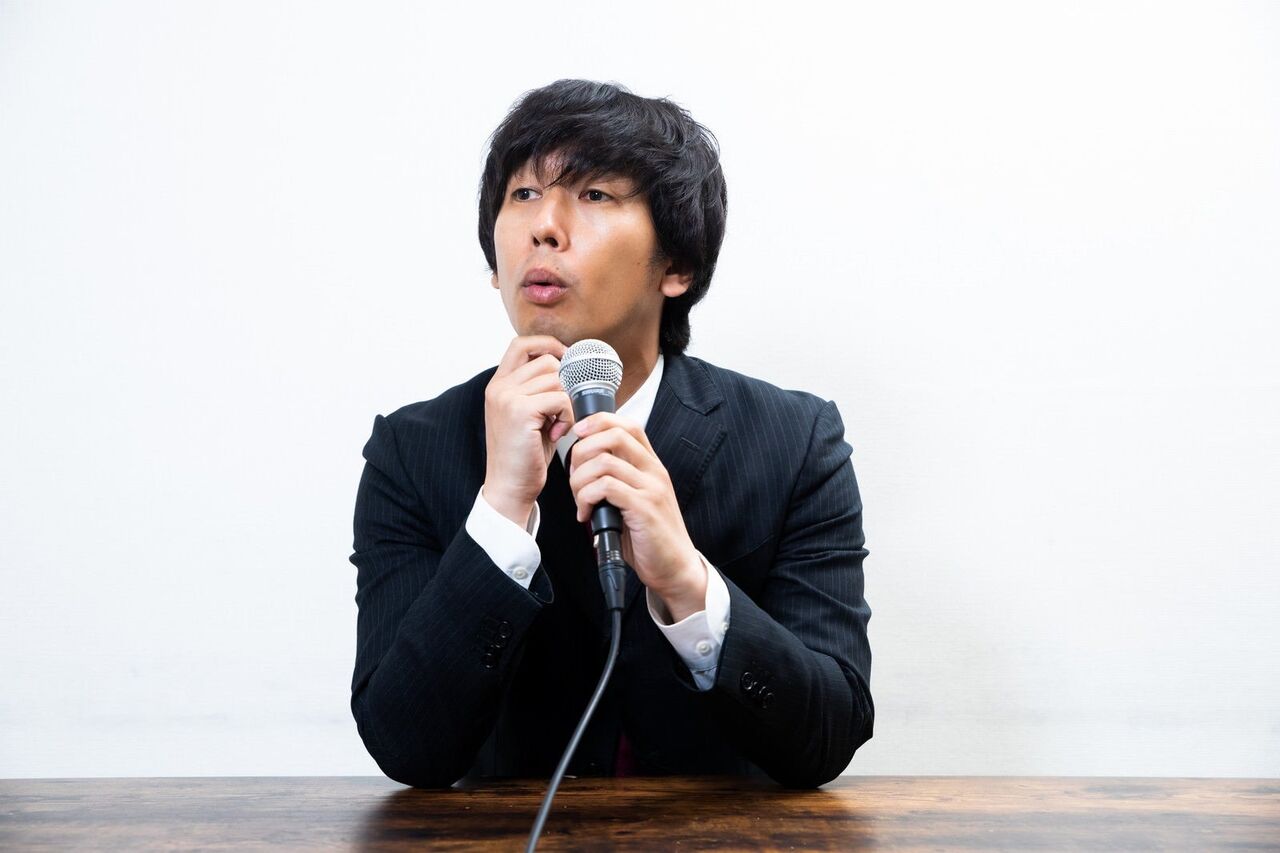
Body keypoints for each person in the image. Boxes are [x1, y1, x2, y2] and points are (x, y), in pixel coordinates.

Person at [348, 79, 873, 788]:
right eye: (523, 194)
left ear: (676, 265)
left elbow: (828, 736)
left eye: (593, 194)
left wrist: (686, 582)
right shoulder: (412, 451)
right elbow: (404, 746)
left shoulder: (796, 440)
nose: (543, 227)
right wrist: (500, 511)